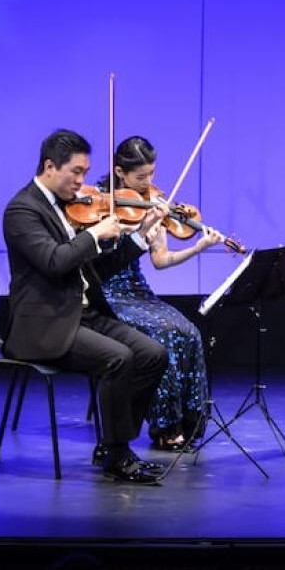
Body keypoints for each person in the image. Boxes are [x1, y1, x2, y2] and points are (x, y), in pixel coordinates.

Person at [2, 129, 168, 484]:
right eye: (75, 172)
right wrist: (94, 235)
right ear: (50, 166)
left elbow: (96, 270)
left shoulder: (68, 207)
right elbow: (53, 262)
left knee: (153, 354)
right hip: (44, 324)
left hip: (82, 314)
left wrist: (141, 235)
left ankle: (114, 444)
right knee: (118, 359)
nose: (82, 182)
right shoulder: (22, 210)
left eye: (85, 172)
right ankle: (118, 455)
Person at [96, 136, 223, 449]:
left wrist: (198, 247)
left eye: (151, 174)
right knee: (163, 333)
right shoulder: (98, 202)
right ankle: (165, 427)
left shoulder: (153, 202)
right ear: (119, 172)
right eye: (141, 177)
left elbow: (161, 260)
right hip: (106, 292)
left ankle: (189, 423)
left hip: (137, 290)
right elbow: (96, 258)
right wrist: (131, 230)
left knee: (189, 331)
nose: (148, 183)